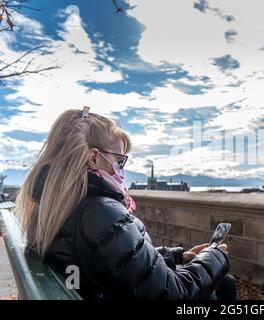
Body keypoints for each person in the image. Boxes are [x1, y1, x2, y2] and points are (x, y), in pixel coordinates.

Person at [15, 108, 237, 300]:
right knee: (225, 283)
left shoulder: (57, 206)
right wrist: (215, 256)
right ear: (93, 158)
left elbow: (109, 259)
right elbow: (173, 293)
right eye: (120, 161)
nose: (122, 170)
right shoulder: (101, 212)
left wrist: (178, 256)